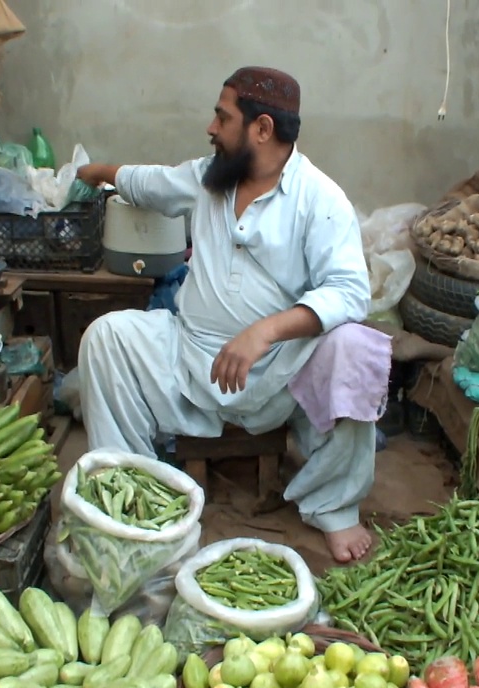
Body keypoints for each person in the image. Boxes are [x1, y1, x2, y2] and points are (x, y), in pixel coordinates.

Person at [74, 66, 384, 563]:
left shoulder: (321, 199)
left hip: (277, 377)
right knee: (108, 336)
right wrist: (100, 173)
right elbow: (151, 182)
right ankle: (129, 487)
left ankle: (335, 507)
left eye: (222, 117)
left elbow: (350, 292)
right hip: (188, 358)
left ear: (262, 129)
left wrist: (265, 332)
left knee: (355, 346)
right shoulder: (207, 178)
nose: (211, 128)